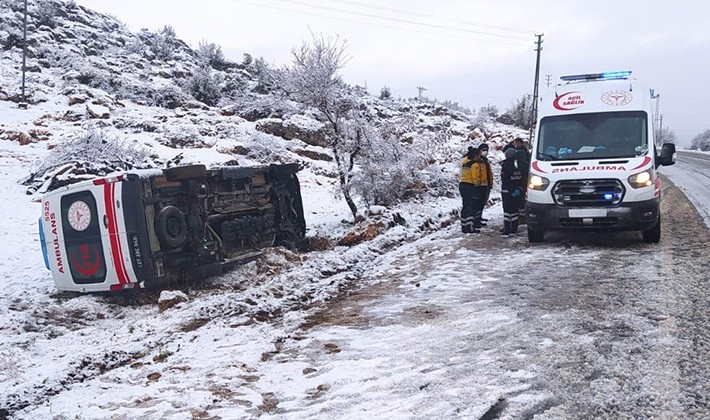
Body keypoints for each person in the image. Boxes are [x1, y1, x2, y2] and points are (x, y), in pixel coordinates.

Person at [459, 146, 488, 233]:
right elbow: (476, 177)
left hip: (462, 185)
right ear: (475, 155)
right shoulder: (474, 164)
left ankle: (464, 226)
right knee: (471, 207)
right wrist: (478, 186)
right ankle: (469, 227)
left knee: (465, 206)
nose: (480, 157)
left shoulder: (465, 162)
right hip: (470, 186)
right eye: (479, 155)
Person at [500, 147, 524, 237]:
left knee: (507, 211)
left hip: (507, 191)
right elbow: (520, 179)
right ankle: (514, 229)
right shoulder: (517, 166)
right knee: (514, 211)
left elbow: (505, 179)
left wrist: (509, 190)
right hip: (516, 191)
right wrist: (518, 189)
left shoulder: (505, 166)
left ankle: (507, 229)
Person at [478, 143, 494, 223]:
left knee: (483, 202)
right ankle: (476, 219)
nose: (485, 152)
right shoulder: (478, 160)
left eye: (487, 150)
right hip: (480, 185)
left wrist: (490, 184)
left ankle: (479, 217)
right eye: (483, 150)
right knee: (478, 203)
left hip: (486, 184)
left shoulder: (486, 160)